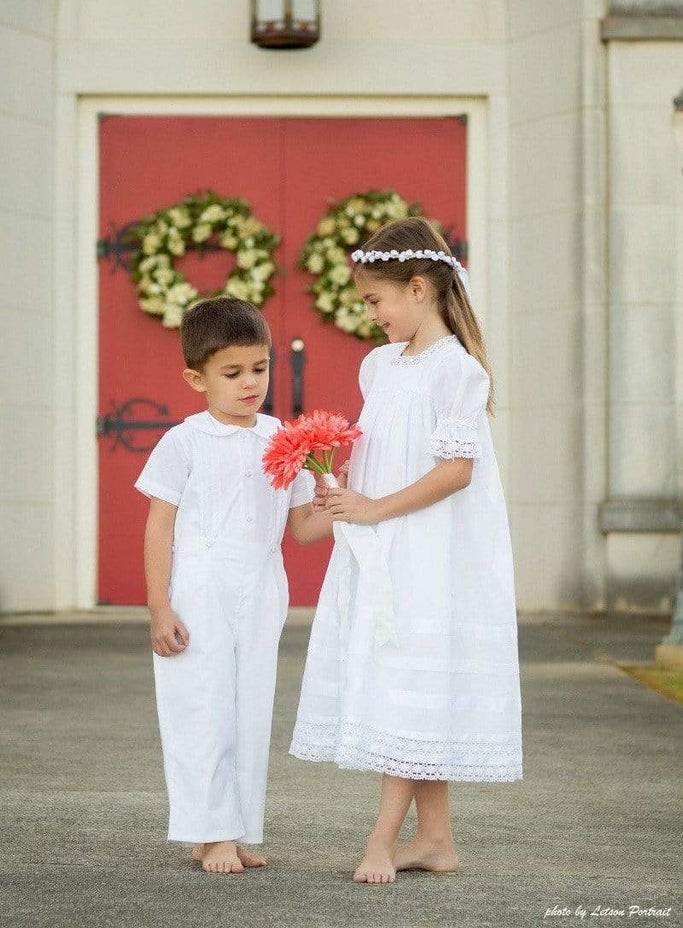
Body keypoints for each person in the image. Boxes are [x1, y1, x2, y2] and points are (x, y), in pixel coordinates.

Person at [290, 216, 523, 885]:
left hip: (431, 553)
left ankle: (381, 839)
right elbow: (379, 455)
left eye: (374, 300)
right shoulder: (379, 366)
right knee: (411, 686)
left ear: (417, 288)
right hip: (381, 544)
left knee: (407, 685)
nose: (371, 316)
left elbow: (456, 473)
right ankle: (437, 840)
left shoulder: (459, 373)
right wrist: (333, 494)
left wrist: (371, 510)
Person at [134, 297, 338, 874]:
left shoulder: (283, 438)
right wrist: (159, 606)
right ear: (196, 378)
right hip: (198, 586)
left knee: (251, 706)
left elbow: (301, 528)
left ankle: (234, 827)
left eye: (260, 368)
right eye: (233, 373)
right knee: (202, 704)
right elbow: (160, 524)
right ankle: (209, 829)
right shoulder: (184, 441)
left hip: (261, 584)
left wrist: (338, 501)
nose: (251, 383)